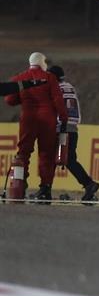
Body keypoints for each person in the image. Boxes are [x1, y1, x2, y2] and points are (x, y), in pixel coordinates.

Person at [4, 52, 67, 200]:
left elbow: (9, 100)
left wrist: (23, 99)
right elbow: (58, 99)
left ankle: (20, 184)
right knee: (47, 154)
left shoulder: (20, 78)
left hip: (28, 120)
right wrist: (63, 117)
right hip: (48, 120)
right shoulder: (50, 78)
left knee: (23, 153)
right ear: (42, 63)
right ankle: (45, 188)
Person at [47, 65, 99, 201]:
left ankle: (45, 189)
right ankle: (88, 184)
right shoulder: (69, 87)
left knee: (50, 159)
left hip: (61, 129)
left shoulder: (55, 89)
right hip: (73, 129)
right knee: (70, 160)